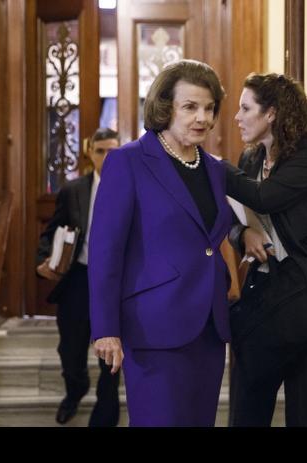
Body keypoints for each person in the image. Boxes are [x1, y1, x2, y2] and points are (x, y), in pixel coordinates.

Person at [88, 59, 234, 427]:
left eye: (209, 108)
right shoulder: (128, 161)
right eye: (190, 107)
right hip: (154, 328)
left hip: (209, 328)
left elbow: (211, 232)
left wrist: (246, 232)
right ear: (165, 107)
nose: (202, 117)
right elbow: (106, 252)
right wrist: (106, 328)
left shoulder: (215, 168)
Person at [225, 73, 307, 427]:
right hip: (265, 299)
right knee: (246, 411)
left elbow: (265, 197)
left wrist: (209, 164)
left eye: (245, 108)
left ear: (271, 113)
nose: (236, 117)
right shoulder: (250, 159)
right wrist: (243, 235)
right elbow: (230, 217)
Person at [36, 128, 122, 426]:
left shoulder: (131, 189)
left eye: (113, 151)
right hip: (78, 281)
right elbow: (50, 234)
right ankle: (75, 390)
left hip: (115, 285)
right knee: (71, 352)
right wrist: (43, 261)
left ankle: (106, 412)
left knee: (111, 356)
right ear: (90, 153)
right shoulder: (73, 191)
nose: (107, 157)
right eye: (101, 151)